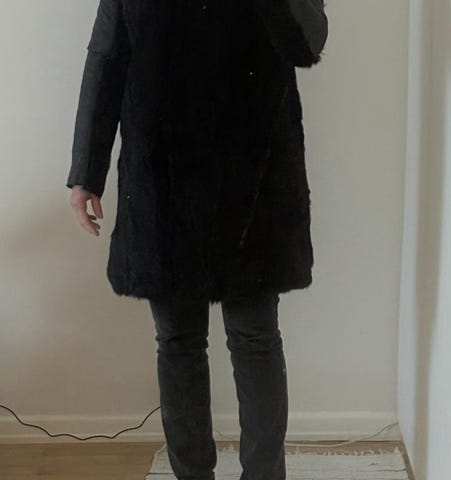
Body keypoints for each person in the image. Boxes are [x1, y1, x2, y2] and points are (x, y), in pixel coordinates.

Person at [67, 1, 328, 479]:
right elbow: (107, 56)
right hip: (163, 177)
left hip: (254, 179)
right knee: (178, 340)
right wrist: (87, 170)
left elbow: (309, 42)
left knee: (254, 336)